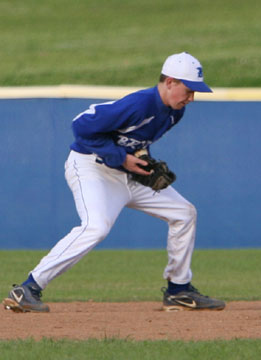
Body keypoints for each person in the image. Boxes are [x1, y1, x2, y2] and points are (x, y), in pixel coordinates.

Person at [3, 51, 225, 313]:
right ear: (169, 82)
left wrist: (142, 163)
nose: (191, 98)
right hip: (91, 167)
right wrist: (122, 157)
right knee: (96, 227)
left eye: (195, 92)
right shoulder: (139, 104)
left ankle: (178, 290)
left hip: (126, 174)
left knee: (184, 213)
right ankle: (27, 289)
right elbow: (81, 127)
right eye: (188, 90)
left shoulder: (174, 113)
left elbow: (134, 142)